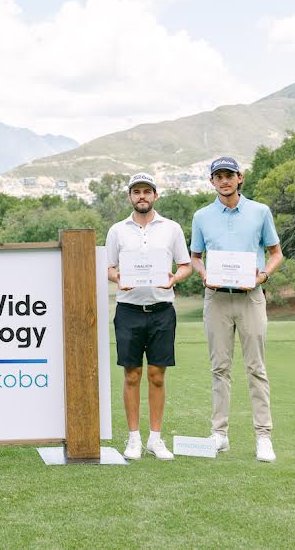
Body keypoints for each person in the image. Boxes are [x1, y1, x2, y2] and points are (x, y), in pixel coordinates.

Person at [190, 157, 284, 462]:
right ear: (212, 182)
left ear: (240, 178)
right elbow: (195, 257)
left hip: (251, 297)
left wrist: (263, 275)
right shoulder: (202, 216)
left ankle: (263, 436)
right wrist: (204, 273)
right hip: (216, 298)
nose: (224, 180)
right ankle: (219, 434)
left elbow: (276, 253)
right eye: (218, 176)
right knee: (220, 368)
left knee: (256, 368)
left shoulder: (260, 211)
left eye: (229, 175)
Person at [106, 173, 192, 460]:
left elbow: (185, 265)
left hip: (161, 311)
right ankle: (134, 438)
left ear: (155, 195)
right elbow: (109, 268)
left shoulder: (171, 228)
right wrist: (118, 278)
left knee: (156, 375)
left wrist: (174, 279)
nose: (141, 196)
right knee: (132, 375)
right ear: (130, 197)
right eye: (136, 192)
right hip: (128, 310)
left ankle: (155, 439)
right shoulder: (117, 230)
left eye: (146, 191)